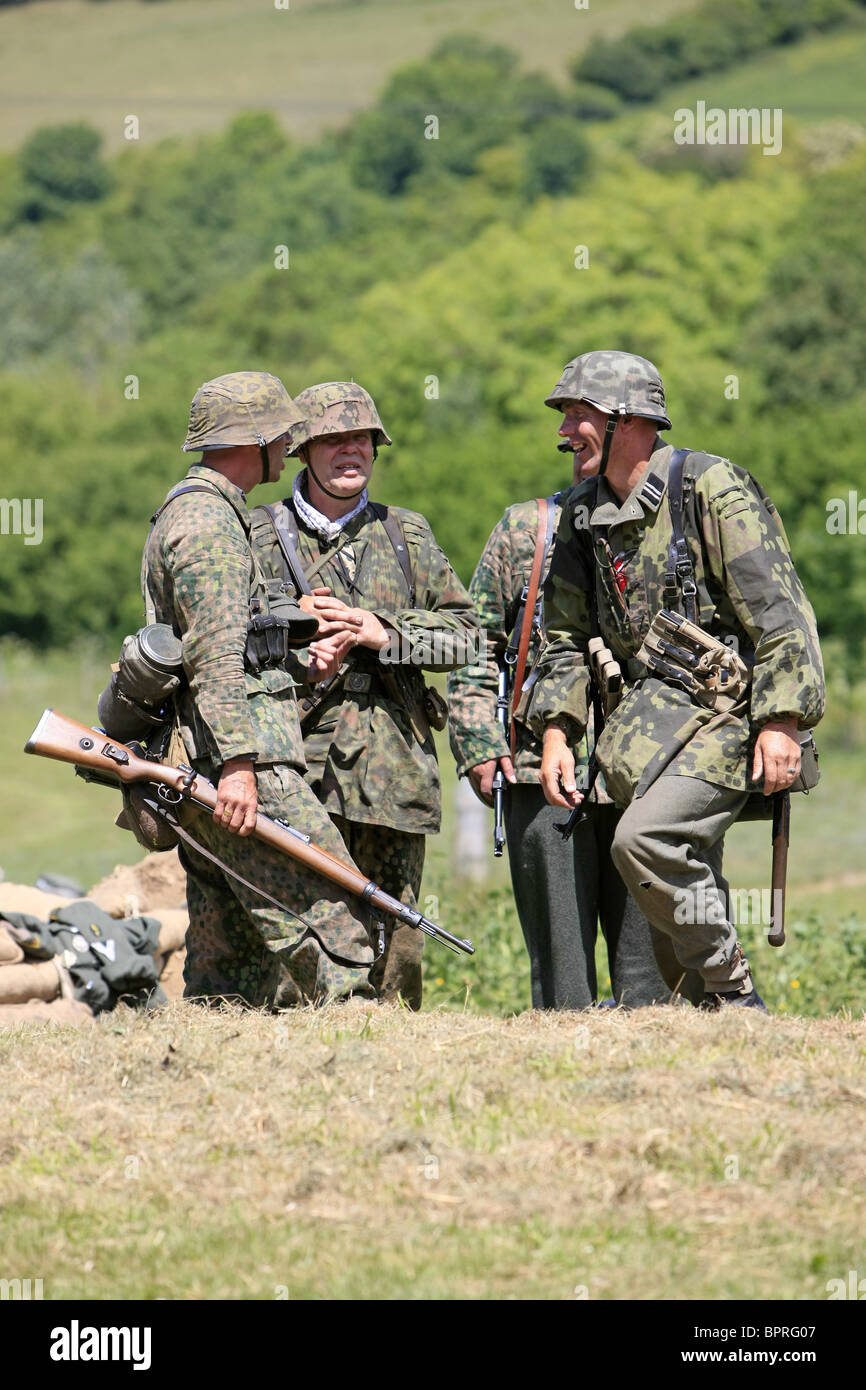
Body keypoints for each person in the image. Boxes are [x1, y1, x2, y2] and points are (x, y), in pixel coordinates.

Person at [530, 350, 825, 1010]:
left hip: (731, 721)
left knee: (646, 842)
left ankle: (735, 995)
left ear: (628, 422)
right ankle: (703, 1015)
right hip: (646, 732)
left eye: (580, 415)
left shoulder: (709, 489)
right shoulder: (582, 515)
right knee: (671, 876)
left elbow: (781, 613)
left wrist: (781, 722)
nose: (564, 431)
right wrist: (557, 728)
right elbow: (565, 638)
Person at [143, 371, 378, 1007]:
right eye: (281, 435)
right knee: (332, 906)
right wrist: (242, 769)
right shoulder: (211, 523)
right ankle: (366, 1042)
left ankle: (220, 1056)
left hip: (203, 759)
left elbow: (227, 640)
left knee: (230, 955)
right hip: (243, 762)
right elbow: (215, 655)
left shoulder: (196, 509)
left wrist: (298, 656)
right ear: (256, 441)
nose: (288, 446)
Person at [250, 381, 479, 1009]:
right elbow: (221, 641)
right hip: (293, 771)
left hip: (393, 775)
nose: (349, 451)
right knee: (297, 938)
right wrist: (296, 646)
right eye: (332, 439)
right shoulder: (259, 537)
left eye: (361, 439)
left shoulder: (407, 535)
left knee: (394, 950)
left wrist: (387, 633)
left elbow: (467, 638)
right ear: (302, 449)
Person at [447, 467, 683, 1010]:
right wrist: (481, 742)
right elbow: (473, 644)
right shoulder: (526, 529)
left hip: (648, 770)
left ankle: (653, 1079)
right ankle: (560, 1077)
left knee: (651, 980)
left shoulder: (673, 526)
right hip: (540, 770)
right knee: (562, 981)